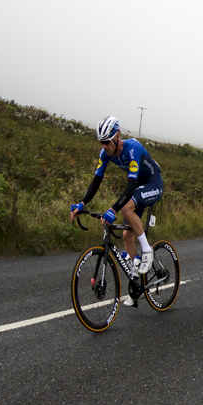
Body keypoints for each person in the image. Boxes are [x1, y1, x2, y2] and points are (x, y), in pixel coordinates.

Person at [69, 116, 163, 307]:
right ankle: (136, 286)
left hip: (153, 184)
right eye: (101, 142)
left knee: (126, 208)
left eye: (106, 142)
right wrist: (82, 203)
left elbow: (131, 186)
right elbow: (96, 181)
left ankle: (147, 250)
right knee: (128, 235)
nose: (104, 146)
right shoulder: (105, 154)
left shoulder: (132, 149)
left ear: (117, 137)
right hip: (139, 189)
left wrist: (113, 209)